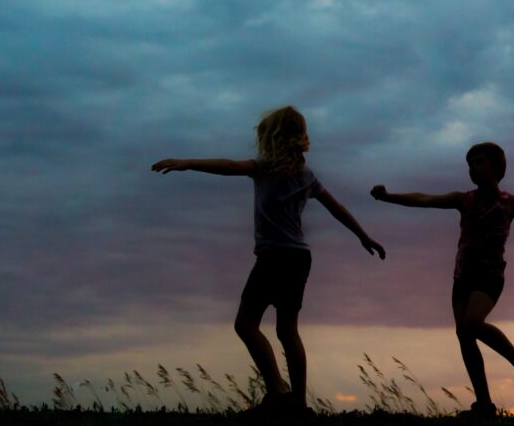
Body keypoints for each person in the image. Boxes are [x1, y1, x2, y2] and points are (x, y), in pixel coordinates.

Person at [152, 106, 385, 417]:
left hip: (275, 256)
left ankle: (279, 391)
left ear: (270, 137)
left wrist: (188, 163)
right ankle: (296, 402)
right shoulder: (305, 175)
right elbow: (336, 207)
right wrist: (363, 236)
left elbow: (228, 166)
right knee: (286, 331)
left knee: (247, 325)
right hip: (298, 257)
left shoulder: (263, 168)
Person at [371, 142, 514, 418]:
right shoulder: (463, 199)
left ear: (497, 167)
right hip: (462, 276)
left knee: (471, 323)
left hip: (490, 276)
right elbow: (424, 199)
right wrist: (388, 196)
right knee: (464, 335)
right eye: (470, 164)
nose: (473, 168)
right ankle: (484, 405)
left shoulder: (511, 203)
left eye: (480, 162)